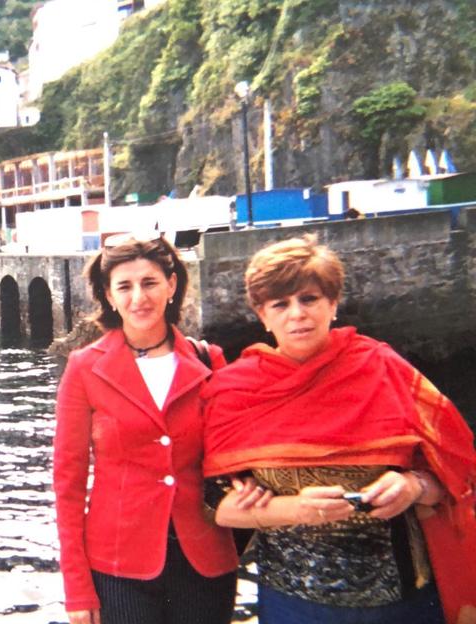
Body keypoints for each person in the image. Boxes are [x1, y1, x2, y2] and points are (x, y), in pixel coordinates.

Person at [202, 234, 476, 624]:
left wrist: (415, 485)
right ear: (262, 315)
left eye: (309, 299)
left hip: (402, 600)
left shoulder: (385, 369)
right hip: (293, 603)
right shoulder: (233, 391)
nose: (297, 313)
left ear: (333, 304)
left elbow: (458, 472)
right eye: (280, 304)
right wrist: (296, 509)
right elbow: (215, 506)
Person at [54, 233, 257, 624]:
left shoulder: (209, 360)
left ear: (171, 285)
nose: (138, 298)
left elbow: (237, 450)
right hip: (117, 565)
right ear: (109, 296)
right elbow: (69, 483)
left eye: (149, 283)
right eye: (124, 287)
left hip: (205, 561)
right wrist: (76, 587)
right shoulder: (83, 368)